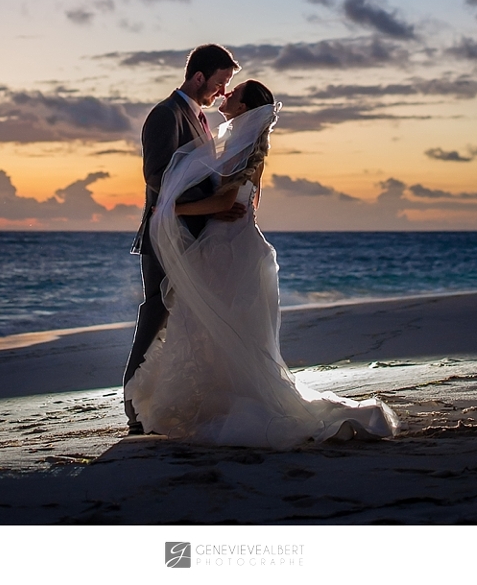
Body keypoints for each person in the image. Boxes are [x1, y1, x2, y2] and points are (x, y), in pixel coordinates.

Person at [125, 80, 398, 449]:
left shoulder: (241, 146)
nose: (225, 96)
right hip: (233, 244)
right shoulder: (241, 143)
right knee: (222, 329)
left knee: (216, 326)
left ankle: (219, 402)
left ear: (245, 108)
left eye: (233, 94)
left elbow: (224, 203)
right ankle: (214, 397)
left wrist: (173, 208)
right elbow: (238, 202)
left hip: (229, 249)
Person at [123, 43, 242, 434]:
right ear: (198, 77)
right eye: (220, 83)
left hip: (191, 231)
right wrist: (208, 204)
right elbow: (156, 175)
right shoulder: (166, 114)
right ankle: (132, 405)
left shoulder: (200, 118)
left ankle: (163, 399)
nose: (222, 92)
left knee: (179, 316)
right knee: (156, 310)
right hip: (165, 230)